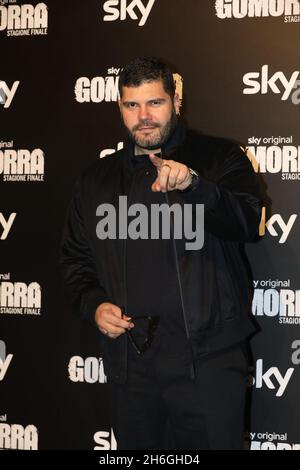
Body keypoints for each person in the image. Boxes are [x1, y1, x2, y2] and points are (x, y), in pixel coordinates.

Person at [61, 57, 262, 450]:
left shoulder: (220, 160)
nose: (144, 117)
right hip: (131, 368)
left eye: (155, 103)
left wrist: (195, 185)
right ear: (119, 107)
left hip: (207, 364)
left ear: (176, 100)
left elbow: (247, 223)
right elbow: (75, 260)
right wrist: (94, 304)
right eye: (131, 105)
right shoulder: (95, 181)